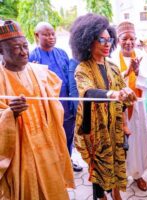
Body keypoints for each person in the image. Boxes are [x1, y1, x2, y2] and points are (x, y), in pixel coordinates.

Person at [0, 20, 74, 199]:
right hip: (19, 152)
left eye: (25, 46)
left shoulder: (41, 73)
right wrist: (10, 114)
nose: (24, 52)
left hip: (46, 144)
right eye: (16, 48)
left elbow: (55, 107)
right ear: (1, 51)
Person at [69, 13, 137, 200]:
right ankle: (101, 196)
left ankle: (115, 193)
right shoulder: (83, 68)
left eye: (109, 39)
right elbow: (87, 92)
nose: (107, 44)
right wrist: (113, 94)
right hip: (94, 129)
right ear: (88, 41)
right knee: (98, 166)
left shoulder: (113, 67)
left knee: (116, 160)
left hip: (114, 127)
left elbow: (120, 88)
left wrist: (126, 95)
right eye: (101, 39)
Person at [29, 22, 82, 172]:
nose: (51, 37)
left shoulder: (62, 53)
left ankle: (68, 160)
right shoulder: (33, 57)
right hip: (48, 108)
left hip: (67, 105)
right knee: (51, 137)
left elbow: (71, 78)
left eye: (52, 34)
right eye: (46, 34)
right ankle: (54, 166)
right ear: (37, 35)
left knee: (68, 135)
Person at [111, 21, 147, 192]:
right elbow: (110, 84)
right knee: (122, 143)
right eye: (124, 38)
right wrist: (127, 73)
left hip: (139, 109)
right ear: (118, 40)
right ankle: (122, 174)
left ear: (136, 39)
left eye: (131, 38)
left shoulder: (144, 57)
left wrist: (138, 71)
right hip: (120, 111)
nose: (128, 42)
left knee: (139, 142)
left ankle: (138, 174)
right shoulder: (111, 59)